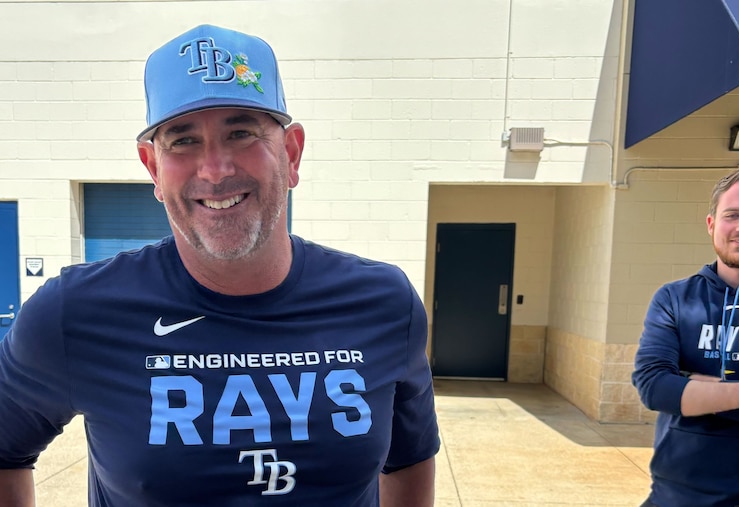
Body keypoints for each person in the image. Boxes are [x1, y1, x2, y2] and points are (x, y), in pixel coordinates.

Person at [0, 24, 440, 506]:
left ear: (291, 154)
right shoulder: (73, 314)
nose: (215, 169)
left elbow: (410, 458)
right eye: (183, 141)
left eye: (241, 132)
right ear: (152, 167)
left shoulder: (383, 303)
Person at [633, 165, 739, 507]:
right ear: (712, 225)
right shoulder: (674, 298)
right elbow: (654, 388)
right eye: (732, 214)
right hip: (669, 497)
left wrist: (689, 385)